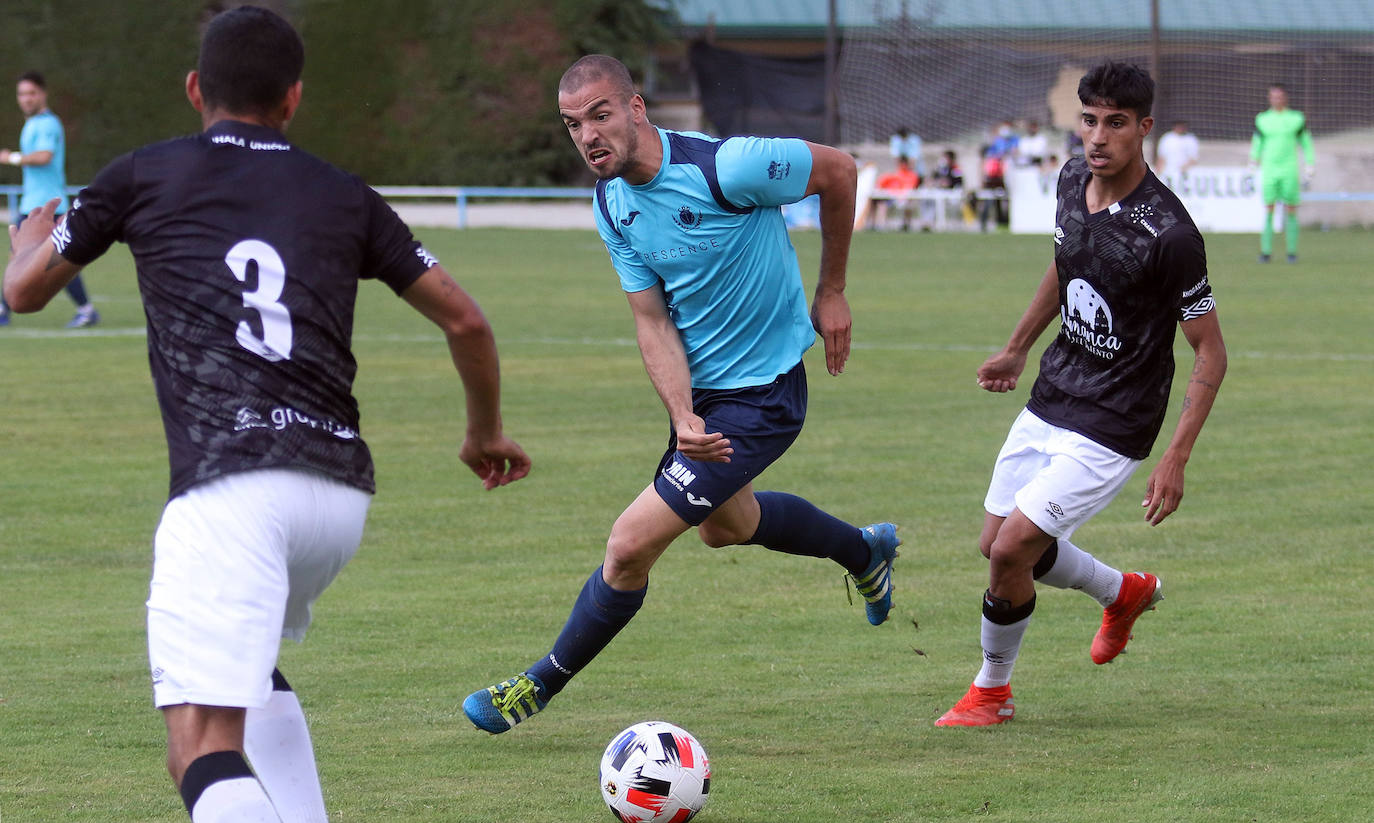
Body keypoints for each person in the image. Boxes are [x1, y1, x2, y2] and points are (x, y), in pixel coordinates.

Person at [3, 7, 530, 823]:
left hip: (232, 490)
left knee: (198, 745)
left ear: (194, 89)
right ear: (293, 98)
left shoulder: (142, 174)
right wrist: (484, 432)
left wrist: (23, 240)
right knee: (252, 672)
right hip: (338, 496)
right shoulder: (346, 193)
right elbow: (467, 321)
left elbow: (24, 292)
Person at [461, 54, 901, 734]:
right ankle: (863, 551)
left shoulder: (728, 167)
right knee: (729, 528)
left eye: (601, 115)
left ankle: (534, 686)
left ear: (636, 108)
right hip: (705, 402)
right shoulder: (612, 202)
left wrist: (833, 288)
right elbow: (652, 321)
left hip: (763, 395)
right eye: (573, 124)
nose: (588, 136)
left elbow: (840, 171)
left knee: (628, 545)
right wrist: (682, 414)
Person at [935, 61, 1226, 727]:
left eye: (1115, 123)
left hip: (1118, 415)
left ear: (1144, 128)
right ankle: (1121, 592)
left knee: (1011, 551)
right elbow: (1067, 264)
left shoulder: (1169, 234)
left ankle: (991, 693)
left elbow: (1210, 350)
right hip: (1056, 389)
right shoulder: (1071, 179)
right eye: (1089, 120)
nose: (1098, 137)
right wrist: (1017, 346)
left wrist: (1176, 456)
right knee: (994, 543)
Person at [0, 71, 99, 328]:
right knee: (21, 257)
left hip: (46, 205)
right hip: (32, 203)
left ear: (43, 94)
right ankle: (3, 309)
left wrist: (11, 158)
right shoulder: (33, 123)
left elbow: (44, 156)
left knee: (56, 260)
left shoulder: (47, 124)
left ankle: (86, 310)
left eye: (32, 93)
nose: (26, 99)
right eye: (22, 94)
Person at [1250, 84, 1315, 264]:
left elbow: (1306, 142)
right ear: (1269, 98)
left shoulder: (1296, 119)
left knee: (1291, 209)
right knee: (1269, 208)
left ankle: (1291, 252)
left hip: (1289, 169)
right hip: (1270, 169)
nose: (1276, 99)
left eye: (1279, 96)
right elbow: (1257, 142)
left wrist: (1310, 163)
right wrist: (1253, 161)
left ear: (1285, 98)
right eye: (1273, 96)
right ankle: (1266, 252)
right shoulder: (1262, 119)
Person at [871, 155, 920, 231]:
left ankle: (906, 225)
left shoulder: (912, 175)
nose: (903, 165)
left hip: (904, 199)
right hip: (892, 198)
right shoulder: (894, 174)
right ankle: (880, 225)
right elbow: (881, 183)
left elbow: (910, 188)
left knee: (908, 205)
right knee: (881, 205)